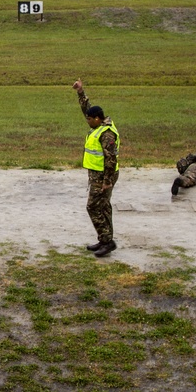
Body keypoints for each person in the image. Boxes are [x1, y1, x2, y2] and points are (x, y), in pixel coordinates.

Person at [73, 80, 120, 258]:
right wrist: (80, 92)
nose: (87, 121)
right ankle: (105, 239)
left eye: (90, 119)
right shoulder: (99, 125)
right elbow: (88, 109)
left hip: (103, 176)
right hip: (98, 175)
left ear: (98, 119)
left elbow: (110, 158)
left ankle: (107, 242)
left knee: (93, 207)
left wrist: (107, 182)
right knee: (104, 207)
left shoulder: (106, 133)